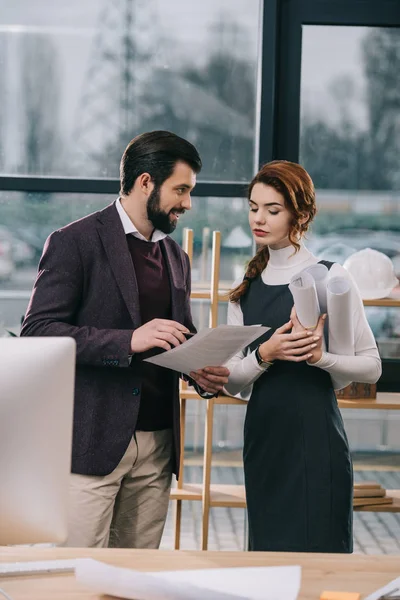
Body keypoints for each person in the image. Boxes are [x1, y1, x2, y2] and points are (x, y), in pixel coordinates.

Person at [20, 131, 229, 549]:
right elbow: (38, 333)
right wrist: (128, 341)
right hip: (92, 444)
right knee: (76, 579)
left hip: (157, 446)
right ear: (146, 182)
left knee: (136, 578)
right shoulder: (74, 242)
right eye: (182, 190)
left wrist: (198, 370)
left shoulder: (176, 256)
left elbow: (175, 338)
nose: (187, 203)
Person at [224, 160, 381, 553]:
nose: (258, 218)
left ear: (301, 214)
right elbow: (230, 381)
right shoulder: (245, 289)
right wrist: (265, 353)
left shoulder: (332, 277)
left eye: (272, 210)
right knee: (267, 564)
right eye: (253, 207)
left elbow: (371, 366)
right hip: (263, 440)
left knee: (321, 561)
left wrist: (321, 358)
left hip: (316, 437)